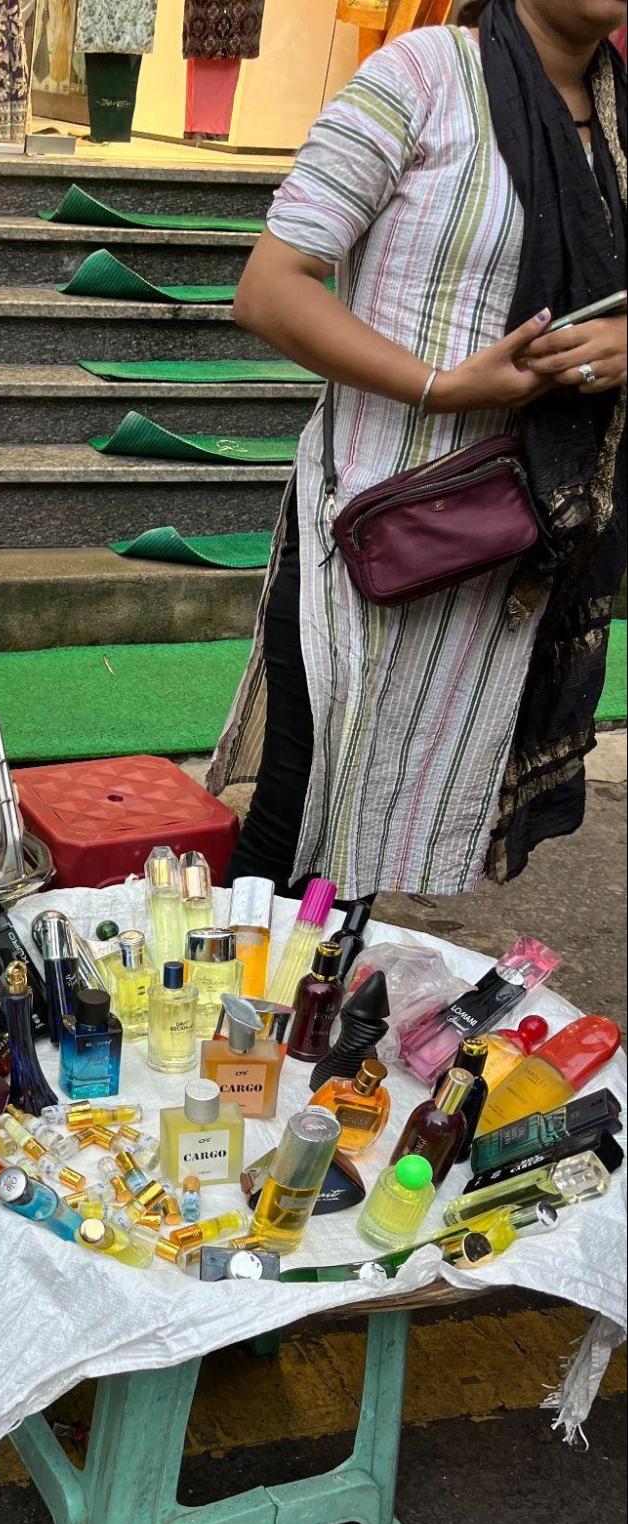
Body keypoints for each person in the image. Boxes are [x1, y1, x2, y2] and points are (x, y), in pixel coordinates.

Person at [209, 0, 626, 899]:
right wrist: (442, 385)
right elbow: (270, 289)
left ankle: (321, 987)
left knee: (381, 845)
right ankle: (229, 997)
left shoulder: (621, 127)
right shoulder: (423, 77)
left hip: (517, 559)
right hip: (373, 531)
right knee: (298, 818)